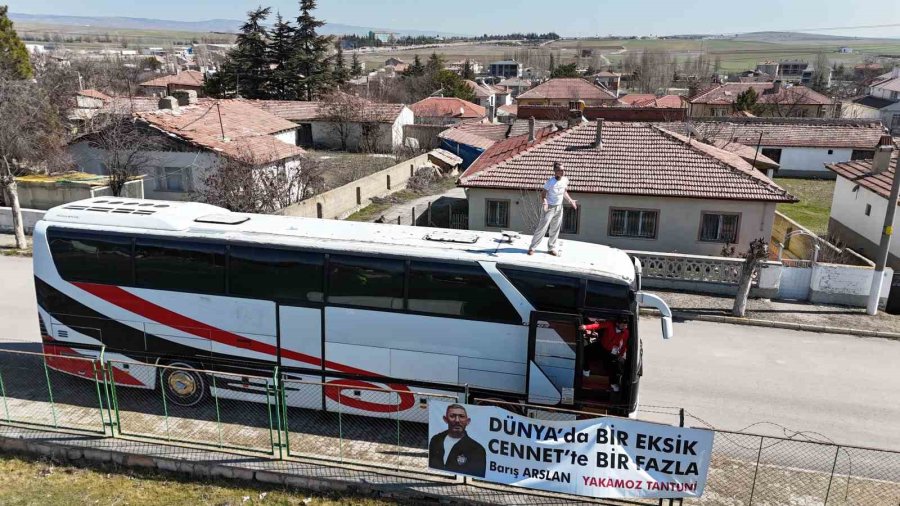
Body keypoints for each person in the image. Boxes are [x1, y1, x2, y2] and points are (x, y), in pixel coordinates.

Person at [527, 162, 577, 256]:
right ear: (555, 171)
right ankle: (532, 247)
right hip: (549, 207)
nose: (563, 172)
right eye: (560, 170)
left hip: (559, 207)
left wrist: (570, 200)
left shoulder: (565, 180)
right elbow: (543, 194)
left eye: (563, 170)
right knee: (542, 227)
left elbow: (564, 192)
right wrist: (545, 203)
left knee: (555, 228)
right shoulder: (550, 182)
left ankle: (551, 248)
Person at [428, 404, 486, 477]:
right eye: (452, 416)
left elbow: (477, 474)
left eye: (461, 416)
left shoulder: (477, 449)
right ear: (445, 419)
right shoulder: (436, 440)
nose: (457, 420)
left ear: (467, 421)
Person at [579, 319, 629, 392]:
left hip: (611, 352)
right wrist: (586, 327)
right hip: (601, 346)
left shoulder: (626, 332)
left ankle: (613, 384)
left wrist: (621, 354)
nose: (625, 326)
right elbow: (598, 326)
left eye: (626, 324)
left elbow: (624, 344)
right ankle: (586, 369)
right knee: (585, 351)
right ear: (617, 323)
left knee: (613, 367)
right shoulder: (610, 324)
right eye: (623, 324)